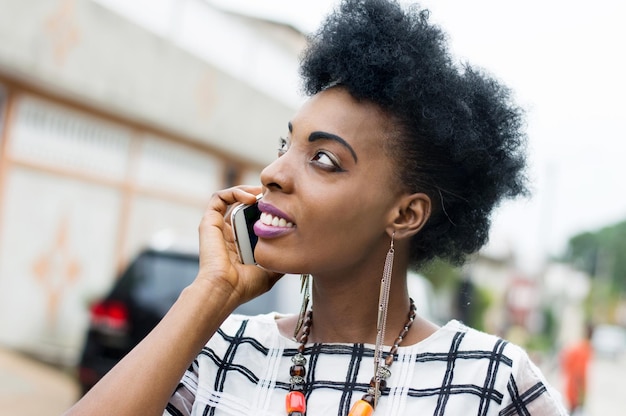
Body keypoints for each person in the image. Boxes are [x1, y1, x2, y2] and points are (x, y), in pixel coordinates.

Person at [65, 0, 567, 415]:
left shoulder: (490, 382)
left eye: (323, 159)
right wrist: (209, 295)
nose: (274, 173)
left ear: (405, 215)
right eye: (285, 145)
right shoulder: (222, 351)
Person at [560, 325, 593, 414]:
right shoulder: (584, 349)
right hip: (576, 389)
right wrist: (581, 395)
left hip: (572, 386)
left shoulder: (578, 347)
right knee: (573, 410)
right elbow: (579, 373)